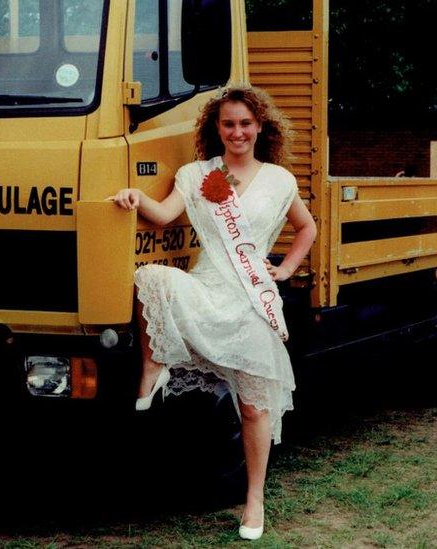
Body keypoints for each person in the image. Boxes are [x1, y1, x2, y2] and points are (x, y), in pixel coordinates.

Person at [109, 85, 317, 540]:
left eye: (245, 123)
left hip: (250, 299)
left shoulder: (280, 180)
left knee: (254, 408)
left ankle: (255, 500)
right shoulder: (195, 173)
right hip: (208, 288)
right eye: (228, 123)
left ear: (260, 126)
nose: (237, 131)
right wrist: (133, 197)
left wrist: (284, 270)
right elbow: (163, 215)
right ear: (216, 128)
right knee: (153, 279)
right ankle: (154, 365)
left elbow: (307, 227)